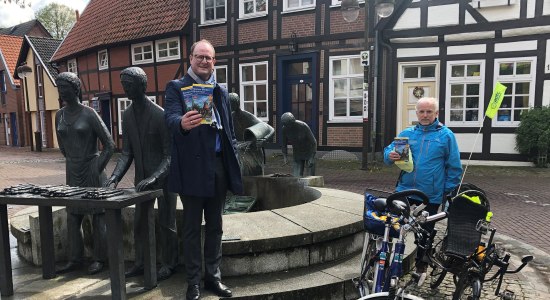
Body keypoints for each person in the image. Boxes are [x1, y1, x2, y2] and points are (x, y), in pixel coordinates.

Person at [164, 39, 243, 300]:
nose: (204, 61)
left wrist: (234, 157)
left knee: (215, 226)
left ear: (214, 61)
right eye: (199, 56)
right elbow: (171, 118)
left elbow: (229, 128)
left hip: (218, 164)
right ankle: (193, 282)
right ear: (190, 59)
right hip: (192, 167)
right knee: (190, 227)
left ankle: (213, 278)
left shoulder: (220, 90)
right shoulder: (177, 87)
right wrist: (182, 124)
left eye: (208, 57)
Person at [104, 67, 178, 281]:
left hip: (164, 180)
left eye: (129, 85)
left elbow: (169, 155)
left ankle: (169, 263)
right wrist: (114, 178)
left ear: (142, 86)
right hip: (141, 182)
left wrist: (155, 177)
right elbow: (126, 152)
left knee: (167, 223)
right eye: (124, 84)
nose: (125, 89)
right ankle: (140, 261)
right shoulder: (126, 115)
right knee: (139, 224)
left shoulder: (160, 115)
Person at [383, 97, 462, 282]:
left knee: (425, 232)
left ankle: (421, 263)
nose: (425, 115)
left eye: (429, 112)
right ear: (416, 113)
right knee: (394, 226)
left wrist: (449, 194)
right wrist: (390, 155)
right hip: (405, 190)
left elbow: (454, 167)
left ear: (436, 113)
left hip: (431, 195)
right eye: (421, 112)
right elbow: (387, 154)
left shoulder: (446, 136)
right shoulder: (407, 133)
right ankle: (388, 260)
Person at [54, 72, 115, 275]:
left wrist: (97, 167)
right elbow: (62, 145)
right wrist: (72, 160)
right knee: (73, 216)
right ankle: (75, 258)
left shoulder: (89, 114)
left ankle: (99, 259)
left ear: (76, 89)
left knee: (98, 217)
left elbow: (109, 144)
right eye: (59, 88)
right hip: (72, 170)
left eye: (65, 88)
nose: (62, 92)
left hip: (92, 169)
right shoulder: (59, 115)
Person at [230, 92, 274, 176]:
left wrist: (264, 140)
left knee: (254, 174)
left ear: (236, 103)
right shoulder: (230, 116)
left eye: (230, 103)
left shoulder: (247, 116)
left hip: (252, 150)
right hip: (239, 150)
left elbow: (270, 129)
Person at [281, 112, 317, 177]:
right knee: (296, 178)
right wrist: (285, 157)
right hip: (297, 154)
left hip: (308, 152)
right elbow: (284, 144)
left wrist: (312, 157)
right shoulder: (284, 129)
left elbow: (314, 142)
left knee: (310, 179)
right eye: (286, 125)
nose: (288, 127)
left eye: (289, 125)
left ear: (293, 122)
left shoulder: (303, 126)